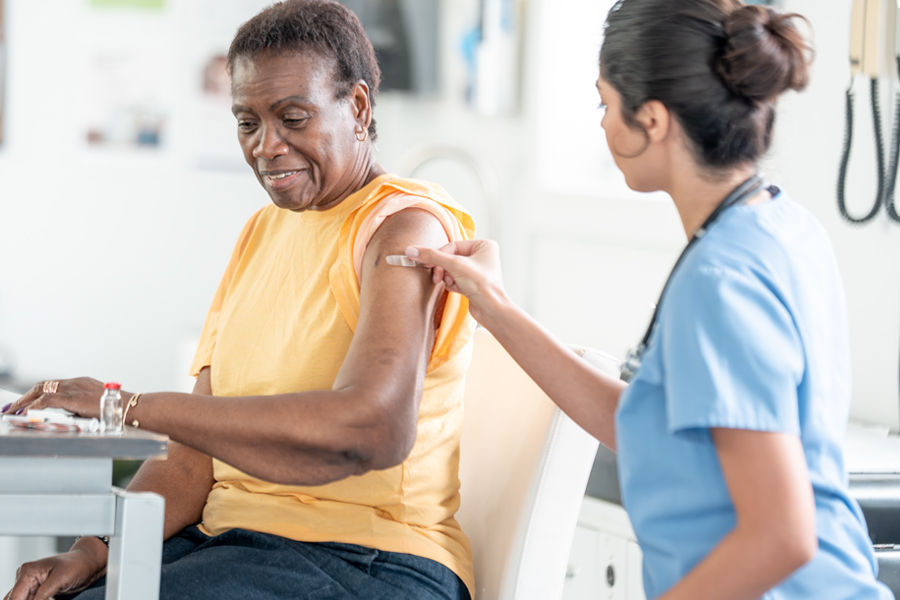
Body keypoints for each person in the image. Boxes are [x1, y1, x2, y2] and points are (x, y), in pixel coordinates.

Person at [404, 1, 895, 599]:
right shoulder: (780, 228)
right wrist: (497, 310)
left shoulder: (722, 281)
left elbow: (780, 535)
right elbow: (643, 424)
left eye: (605, 104)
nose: (604, 125)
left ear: (654, 121)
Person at [3, 2, 476, 599]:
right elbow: (189, 462)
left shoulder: (405, 230)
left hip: (366, 559)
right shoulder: (261, 233)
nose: (266, 147)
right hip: (235, 542)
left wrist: (124, 406)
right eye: (247, 122)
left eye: (293, 118)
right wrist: (94, 551)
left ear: (357, 107)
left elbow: (372, 427)